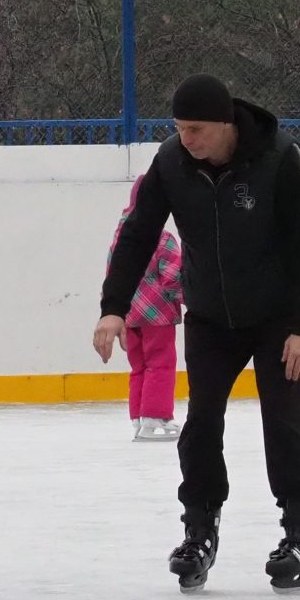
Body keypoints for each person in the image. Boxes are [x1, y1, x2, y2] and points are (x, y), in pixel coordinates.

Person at [96, 74, 300, 593]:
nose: (188, 139)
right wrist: (114, 308)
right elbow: (138, 233)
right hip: (209, 317)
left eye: (197, 129)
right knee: (201, 424)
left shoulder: (277, 158)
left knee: (285, 424)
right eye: (180, 128)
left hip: (277, 320)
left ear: (226, 124)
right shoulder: (172, 163)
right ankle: (199, 529)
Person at [113, 177, 184, 442]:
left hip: (130, 314)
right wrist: (190, 297)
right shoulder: (162, 239)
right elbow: (172, 277)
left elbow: (113, 274)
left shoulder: (121, 238)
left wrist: (115, 312)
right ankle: (156, 416)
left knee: (139, 365)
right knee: (161, 363)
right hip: (159, 315)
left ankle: (138, 416)